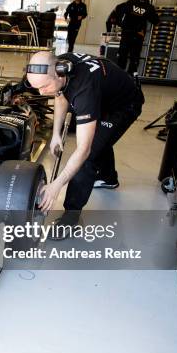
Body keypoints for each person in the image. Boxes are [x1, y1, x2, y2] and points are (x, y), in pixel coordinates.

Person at [25, 51, 144, 236]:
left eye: (44, 86)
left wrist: (57, 185)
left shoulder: (84, 90)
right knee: (100, 140)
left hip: (123, 105)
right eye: (36, 88)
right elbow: (60, 93)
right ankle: (108, 179)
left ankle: (71, 217)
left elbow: (83, 150)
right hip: (104, 95)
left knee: (88, 156)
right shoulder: (62, 65)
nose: (41, 92)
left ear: (59, 73)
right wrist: (55, 133)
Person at [115, 0, 159, 75]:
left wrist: (121, 24)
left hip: (126, 34)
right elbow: (156, 21)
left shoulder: (131, 2)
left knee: (122, 56)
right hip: (138, 35)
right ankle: (130, 78)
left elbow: (118, 8)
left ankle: (118, 77)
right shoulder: (149, 7)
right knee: (134, 58)